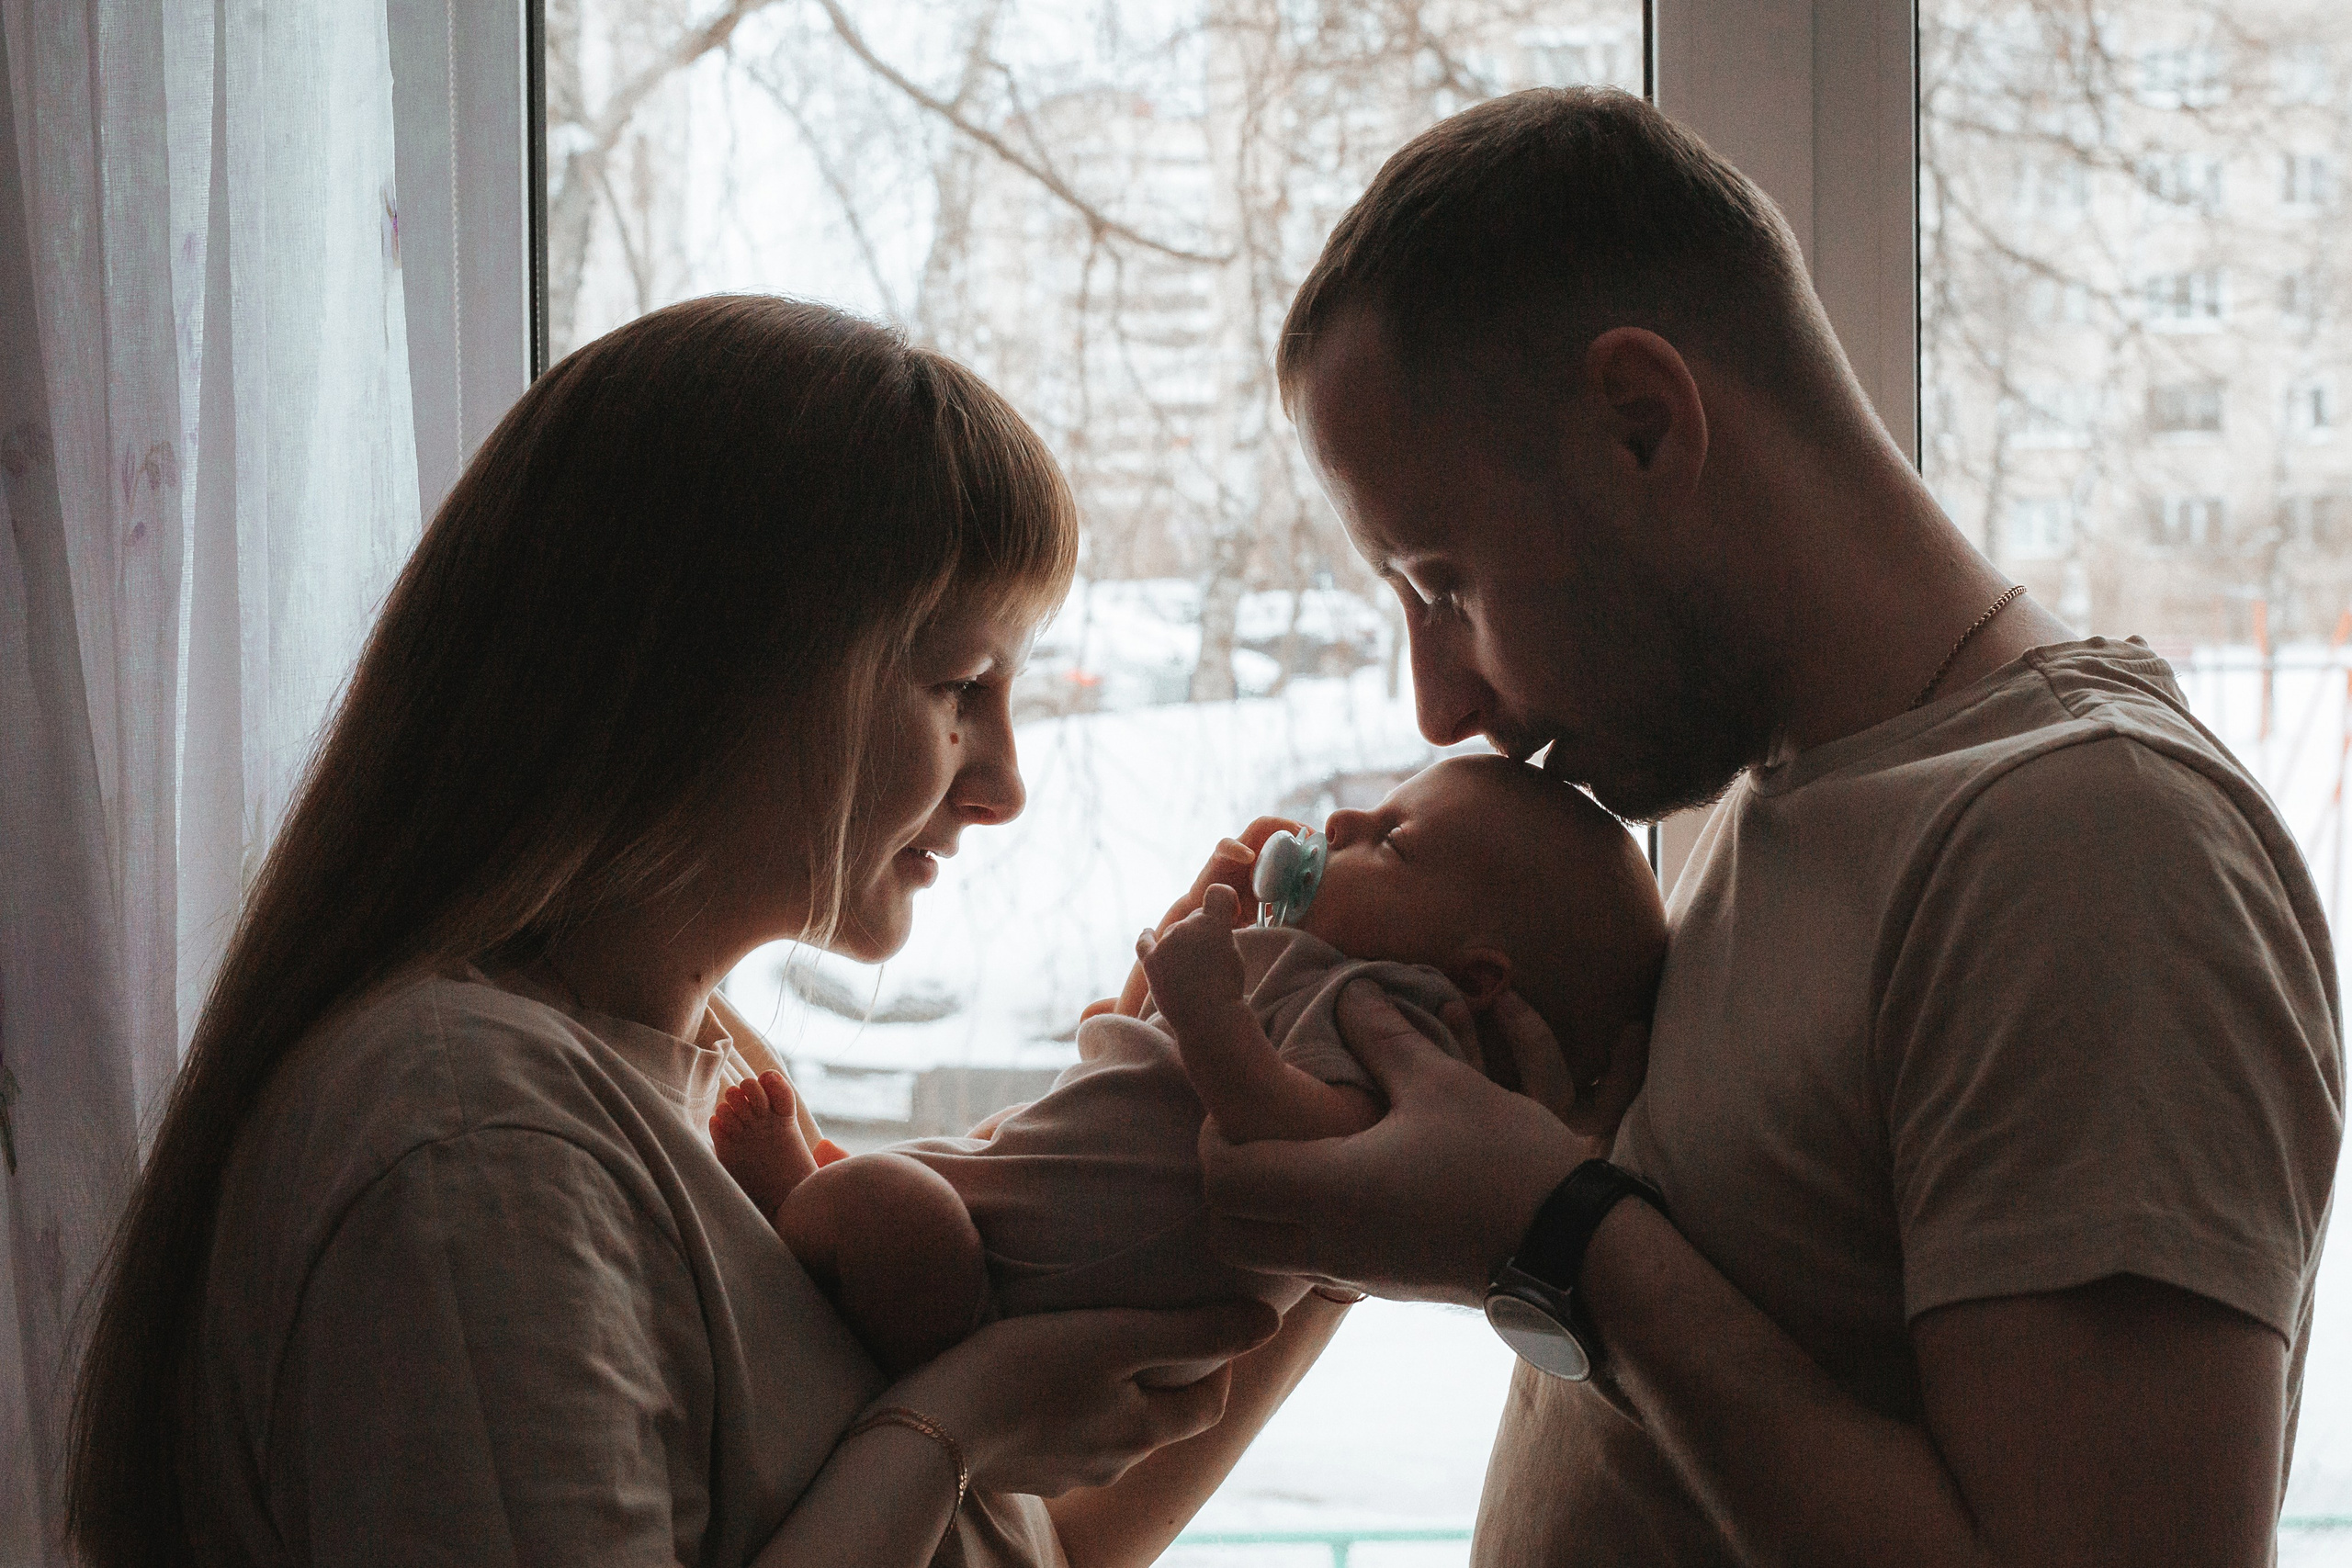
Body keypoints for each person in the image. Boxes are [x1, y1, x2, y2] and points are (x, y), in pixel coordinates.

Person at [1197, 87, 2344, 1564]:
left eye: (1444, 584)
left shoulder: (2092, 845)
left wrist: (1559, 1236)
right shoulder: (1788, 800)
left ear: (1642, 423)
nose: (1439, 703)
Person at [65, 296, 1338, 1568]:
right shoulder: (478, 1143)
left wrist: (1313, 1206)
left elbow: (1015, 1548)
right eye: (960, 685)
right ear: (717, 671)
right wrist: (959, 1421)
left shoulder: (695, 1072)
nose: (1004, 785)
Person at [710, 754, 1665, 1371]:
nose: (1339, 824)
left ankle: (802, 1201)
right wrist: (1171, 963)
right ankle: (833, 1204)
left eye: (1394, 842)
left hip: (1013, 1301)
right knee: (924, 1193)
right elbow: (1130, 1050)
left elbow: (1301, 1150)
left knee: (907, 1219)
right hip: (1022, 1234)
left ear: (1477, 975)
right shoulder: (1306, 975)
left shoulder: (1382, 1010)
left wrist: (1210, 1014)